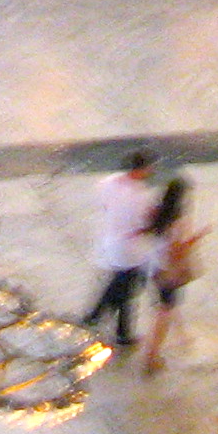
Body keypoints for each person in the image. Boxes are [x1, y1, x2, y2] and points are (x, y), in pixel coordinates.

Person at [84, 147, 158, 350]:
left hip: (111, 242)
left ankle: (114, 327)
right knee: (124, 289)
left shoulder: (108, 183)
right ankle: (100, 321)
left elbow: (103, 205)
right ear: (142, 169)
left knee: (121, 286)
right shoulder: (140, 195)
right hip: (130, 250)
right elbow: (146, 224)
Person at [140, 173, 204, 373]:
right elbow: (178, 249)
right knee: (164, 312)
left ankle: (181, 336)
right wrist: (198, 237)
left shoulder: (156, 212)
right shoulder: (180, 220)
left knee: (167, 305)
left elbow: (148, 231)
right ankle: (152, 355)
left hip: (153, 266)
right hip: (170, 272)